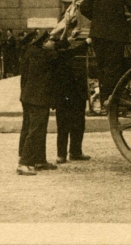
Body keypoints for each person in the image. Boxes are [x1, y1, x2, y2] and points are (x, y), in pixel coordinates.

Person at [79, 0, 131, 113]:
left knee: (102, 69)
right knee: (113, 69)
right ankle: (113, 103)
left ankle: (104, 103)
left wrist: (97, 20)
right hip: (115, 36)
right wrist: (127, 22)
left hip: (97, 35)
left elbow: (83, 8)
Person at [17, 31, 59, 175]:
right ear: (43, 43)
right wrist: (86, 43)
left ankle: (39, 160)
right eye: (49, 41)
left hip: (30, 97)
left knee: (36, 129)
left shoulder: (32, 52)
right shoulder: (43, 55)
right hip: (37, 99)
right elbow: (61, 55)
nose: (52, 43)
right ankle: (24, 163)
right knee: (36, 130)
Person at [54, 34, 91, 164]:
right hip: (64, 97)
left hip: (76, 96)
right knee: (64, 126)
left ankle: (75, 152)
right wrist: (86, 42)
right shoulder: (57, 56)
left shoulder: (62, 54)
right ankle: (62, 154)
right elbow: (73, 51)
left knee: (78, 125)